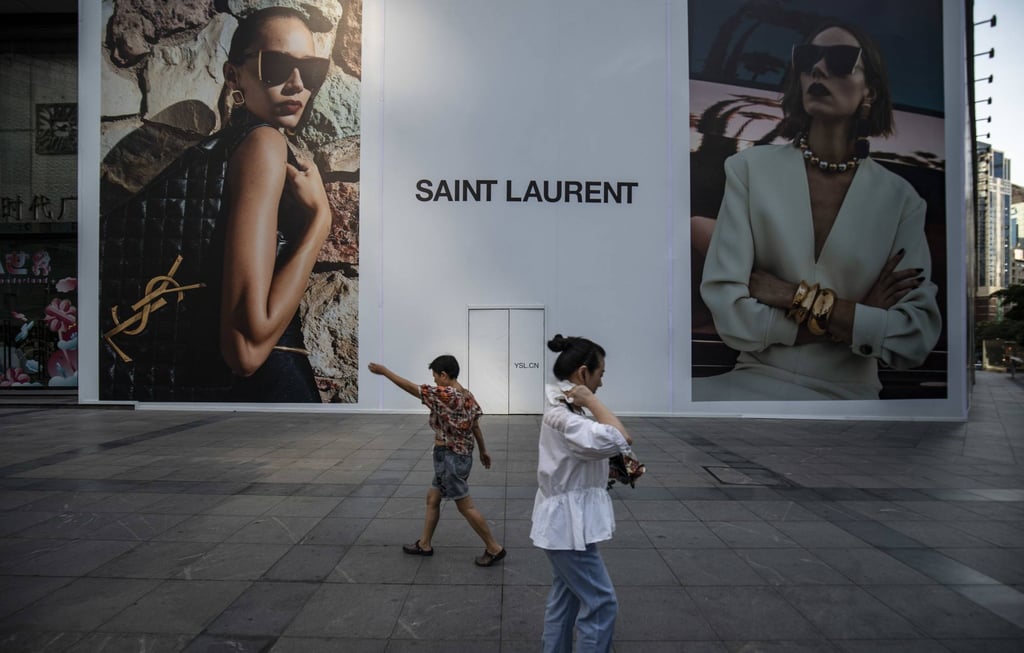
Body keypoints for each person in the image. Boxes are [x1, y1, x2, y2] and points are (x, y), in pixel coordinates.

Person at [695, 21, 942, 401]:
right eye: (809, 58)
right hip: (751, 379)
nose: (819, 70)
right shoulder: (749, 170)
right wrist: (857, 316)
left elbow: (914, 337)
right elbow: (732, 316)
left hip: (850, 396)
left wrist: (792, 295)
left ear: (870, 91)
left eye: (842, 60)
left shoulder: (901, 199)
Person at [217, 6, 332, 401]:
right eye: (277, 65)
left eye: (312, 70)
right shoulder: (265, 145)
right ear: (234, 75)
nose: (297, 84)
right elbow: (246, 351)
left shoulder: (230, 147)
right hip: (271, 388)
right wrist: (321, 219)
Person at [531, 334, 635, 652]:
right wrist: (591, 400)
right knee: (602, 604)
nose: (601, 383)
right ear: (582, 373)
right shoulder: (564, 415)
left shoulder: (563, 410)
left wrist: (611, 470)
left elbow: (575, 459)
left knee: (565, 601)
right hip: (568, 528)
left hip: (566, 524)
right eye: (600, 374)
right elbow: (622, 436)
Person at [367, 356, 506, 566]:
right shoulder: (466, 395)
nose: (434, 382)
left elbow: (414, 389)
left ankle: (494, 547)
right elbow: (475, 425)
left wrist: (385, 372)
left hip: (451, 457)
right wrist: (483, 450)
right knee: (433, 498)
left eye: (435, 377)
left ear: (444, 375)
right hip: (458, 455)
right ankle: (425, 544)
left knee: (465, 506)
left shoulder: (446, 394)